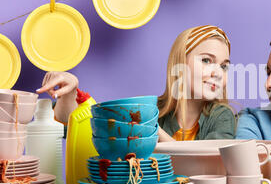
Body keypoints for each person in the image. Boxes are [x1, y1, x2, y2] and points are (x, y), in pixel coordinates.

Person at [36, 25, 236, 141]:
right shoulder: (150, 110)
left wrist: (151, 133)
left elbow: (210, 159)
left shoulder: (222, 116)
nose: (217, 73)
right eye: (207, 60)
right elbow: (82, 129)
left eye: (224, 66)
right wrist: (69, 95)